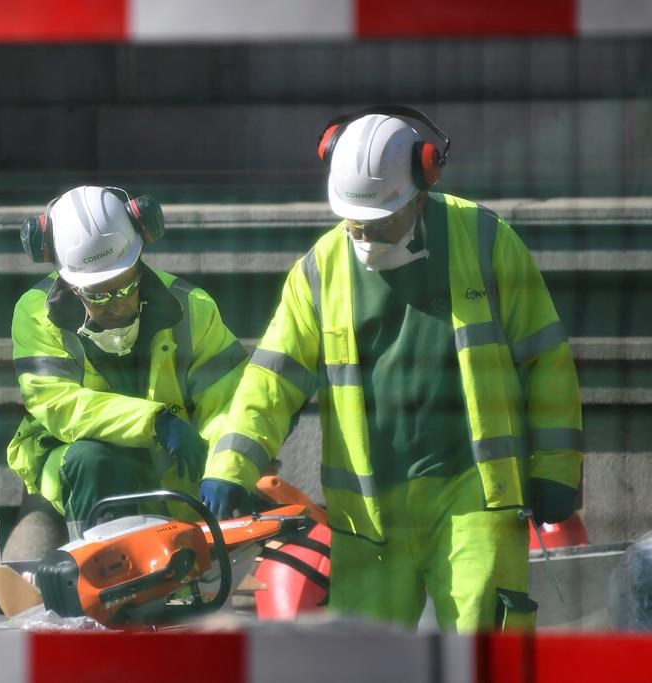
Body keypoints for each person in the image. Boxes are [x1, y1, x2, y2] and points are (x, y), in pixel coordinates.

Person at [200, 106, 583, 632]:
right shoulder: (320, 269)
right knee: (366, 659)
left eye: (380, 221)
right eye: (354, 222)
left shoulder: (486, 240)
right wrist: (230, 466)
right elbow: (271, 379)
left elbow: (546, 359)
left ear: (423, 184)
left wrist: (555, 467)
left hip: (476, 495)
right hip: (370, 515)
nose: (365, 236)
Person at [7, 185, 248, 539]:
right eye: (98, 295)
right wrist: (155, 421)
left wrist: (227, 470)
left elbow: (232, 399)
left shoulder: (192, 307)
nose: (116, 305)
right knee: (91, 460)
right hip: (78, 467)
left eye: (124, 287)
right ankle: (100, 572)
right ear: (71, 286)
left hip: (174, 479)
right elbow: (58, 405)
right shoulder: (35, 314)